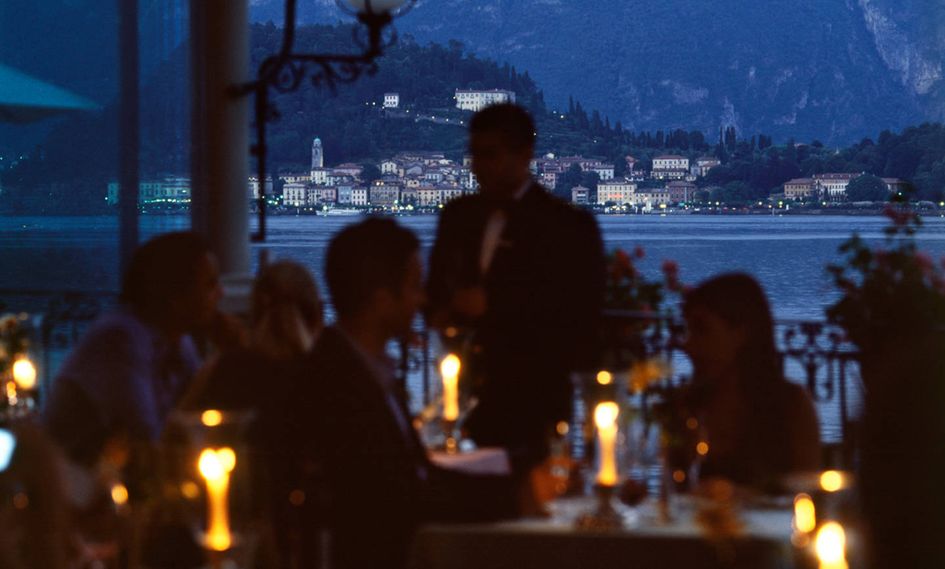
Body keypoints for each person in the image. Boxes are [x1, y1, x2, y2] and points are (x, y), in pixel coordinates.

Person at [287, 218, 517, 569]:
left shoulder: (366, 369)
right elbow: (400, 495)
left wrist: (516, 481)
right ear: (382, 300)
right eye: (414, 286)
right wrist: (516, 496)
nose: (423, 299)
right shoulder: (337, 384)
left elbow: (419, 475)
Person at [427, 103, 606, 471]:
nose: (478, 165)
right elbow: (434, 291)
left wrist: (491, 306)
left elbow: (581, 315)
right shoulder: (457, 217)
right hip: (458, 398)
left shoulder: (567, 227)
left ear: (524, 154)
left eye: (489, 154)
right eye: (474, 154)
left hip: (536, 400)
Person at [44, 232, 225, 471]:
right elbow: (149, 443)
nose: (221, 294)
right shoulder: (119, 340)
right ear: (175, 297)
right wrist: (218, 361)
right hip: (68, 490)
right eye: (210, 284)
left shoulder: (178, 340)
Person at [682, 273, 821, 491]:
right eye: (688, 331)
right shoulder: (689, 406)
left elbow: (808, 492)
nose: (688, 345)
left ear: (741, 333)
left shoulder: (790, 406)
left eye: (702, 330)